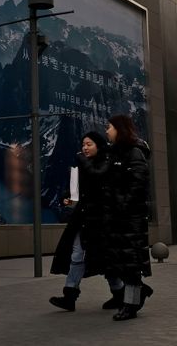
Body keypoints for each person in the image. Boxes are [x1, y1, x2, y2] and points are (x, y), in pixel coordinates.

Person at [48, 131, 124, 311]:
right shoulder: (84, 165)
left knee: (106, 258)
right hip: (84, 217)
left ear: (98, 145)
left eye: (89, 144)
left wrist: (83, 161)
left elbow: (97, 176)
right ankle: (70, 295)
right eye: (83, 144)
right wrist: (67, 197)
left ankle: (119, 293)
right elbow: (80, 190)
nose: (84, 148)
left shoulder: (106, 161)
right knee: (78, 254)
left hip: (101, 220)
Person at [105, 114, 153, 321]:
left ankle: (130, 305)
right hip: (120, 217)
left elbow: (138, 182)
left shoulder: (134, 152)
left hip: (130, 218)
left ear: (120, 129)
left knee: (131, 263)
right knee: (123, 262)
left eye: (109, 127)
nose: (107, 131)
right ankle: (138, 294)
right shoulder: (117, 153)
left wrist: (123, 204)